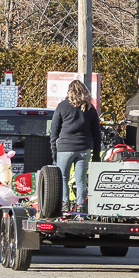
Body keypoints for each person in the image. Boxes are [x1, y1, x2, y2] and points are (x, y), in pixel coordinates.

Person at [49, 79, 101, 212]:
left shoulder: (62, 106)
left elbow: (54, 130)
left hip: (65, 148)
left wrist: (54, 149)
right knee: (81, 180)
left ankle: (65, 203)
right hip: (84, 148)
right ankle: (80, 207)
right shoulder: (90, 108)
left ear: (69, 91)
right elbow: (96, 133)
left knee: (63, 178)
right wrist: (96, 154)